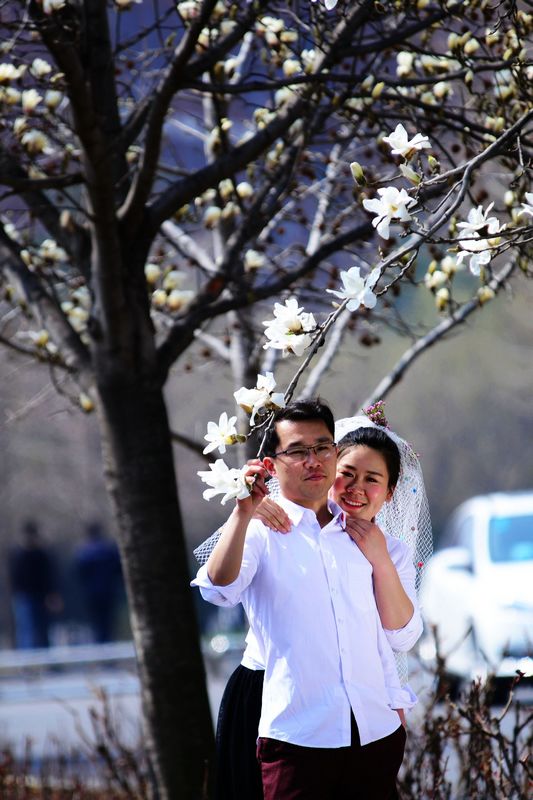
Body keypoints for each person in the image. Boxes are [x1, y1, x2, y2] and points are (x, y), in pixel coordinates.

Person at [193, 399, 430, 800]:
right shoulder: (264, 528)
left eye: (322, 448)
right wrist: (243, 512)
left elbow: (402, 635)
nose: (314, 461)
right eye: (298, 451)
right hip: (296, 731)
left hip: (373, 730)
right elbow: (218, 589)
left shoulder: (381, 546)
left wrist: (379, 558)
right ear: (273, 464)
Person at [8, 519, 62, 649]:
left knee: (43, 629)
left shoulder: (42, 554)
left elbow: (49, 577)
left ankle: (47, 661)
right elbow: (14, 578)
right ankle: (28, 664)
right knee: (27, 630)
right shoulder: (17, 554)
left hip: (41, 597)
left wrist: (52, 596)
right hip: (24, 597)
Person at [73, 521, 123, 643]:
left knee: (96, 623)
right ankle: (109, 647)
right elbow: (118, 569)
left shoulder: (84, 552)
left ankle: (100, 645)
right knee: (109, 623)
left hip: (92, 593)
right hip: (109, 591)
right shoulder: (109, 549)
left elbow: (79, 573)